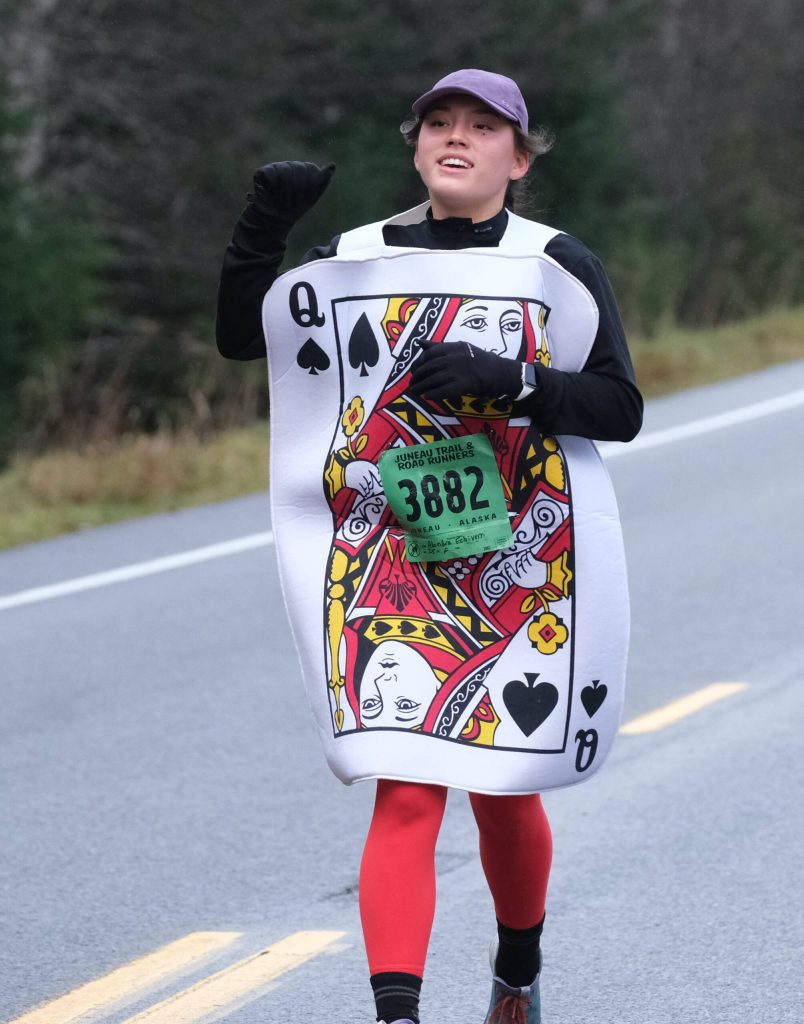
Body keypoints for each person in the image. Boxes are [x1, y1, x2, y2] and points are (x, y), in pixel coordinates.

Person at [216, 68, 642, 1024]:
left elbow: (620, 407)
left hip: (518, 556)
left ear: (518, 158)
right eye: (438, 122)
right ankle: (397, 1016)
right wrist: (261, 232)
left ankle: (518, 970)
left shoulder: (553, 263)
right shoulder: (358, 257)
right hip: (386, 550)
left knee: (501, 792)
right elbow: (248, 340)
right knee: (405, 792)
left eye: (483, 127)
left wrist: (517, 382)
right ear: (415, 145)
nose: (456, 137)